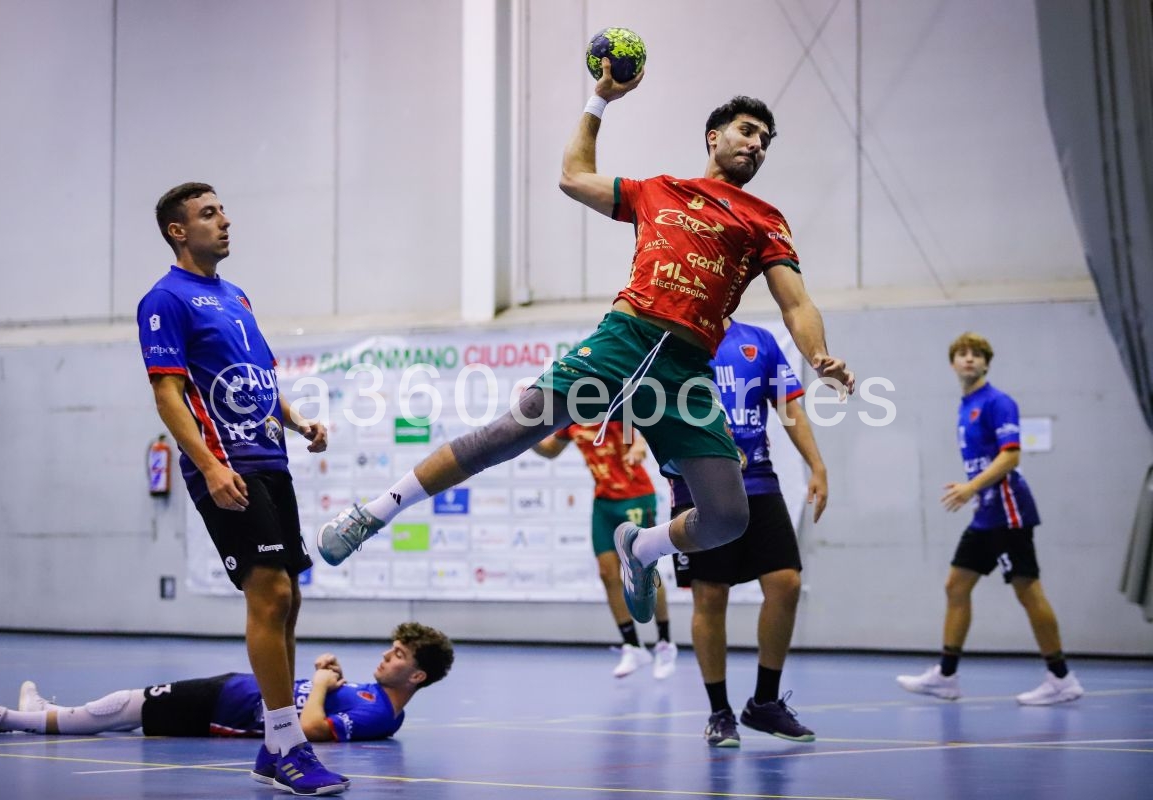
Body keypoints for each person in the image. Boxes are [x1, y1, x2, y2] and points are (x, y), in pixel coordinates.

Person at [317, 61, 854, 630]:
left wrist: (818, 356)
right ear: (713, 137)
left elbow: (796, 303)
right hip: (626, 339)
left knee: (726, 517)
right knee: (504, 435)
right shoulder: (658, 191)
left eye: (766, 141)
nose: (757, 145)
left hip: (686, 370)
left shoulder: (765, 219)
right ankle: (372, 515)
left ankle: (641, 548)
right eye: (748, 131)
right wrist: (600, 99)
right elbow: (573, 176)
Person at [135, 182, 344, 795]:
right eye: (207, 214)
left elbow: (257, 378)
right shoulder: (164, 300)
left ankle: (273, 744)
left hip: (270, 461)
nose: (224, 221)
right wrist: (209, 464)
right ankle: (289, 744)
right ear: (178, 230)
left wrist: (298, 421)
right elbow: (168, 394)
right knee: (270, 593)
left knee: (289, 599)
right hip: (225, 465)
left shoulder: (237, 297)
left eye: (222, 210)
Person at [0, 623, 453, 784]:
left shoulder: (377, 714)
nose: (388, 654)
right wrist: (330, 677)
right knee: (131, 711)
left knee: (123, 706)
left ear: (417, 675)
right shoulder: (375, 700)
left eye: (399, 654)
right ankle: (40, 715)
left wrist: (321, 681)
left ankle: (5, 720)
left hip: (226, 708)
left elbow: (310, 727)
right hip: (233, 690)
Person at [896, 332, 1084, 705]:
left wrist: (970, 488)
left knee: (1028, 590)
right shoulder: (966, 406)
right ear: (953, 364)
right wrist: (973, 492)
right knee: (956, 585)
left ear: (986, 363)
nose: (968, 359)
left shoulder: (999, 402)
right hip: (986, 513)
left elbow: (1010, 456)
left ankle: (1061, 678)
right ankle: (946, 676)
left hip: (1009, 511)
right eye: (962, 354)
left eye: (976, 354)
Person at [669, 319, 826, 747]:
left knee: (786, 582)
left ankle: (765, 703)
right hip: (697, 484)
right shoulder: (672, 337)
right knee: (711, 593)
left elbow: (790, 406)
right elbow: (653, 408)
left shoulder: (759, 340)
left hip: (758, 478)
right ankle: (719, 712)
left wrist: (816, 465)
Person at [531, 423, 677, 678]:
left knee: (642, 570)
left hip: (636, 497)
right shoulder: (571, 419)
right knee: (607, 573)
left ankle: (665, 644)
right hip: (603, 504)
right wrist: (526, 434)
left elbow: (644, 426)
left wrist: (641, 444)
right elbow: (550, 450)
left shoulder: (615, 403)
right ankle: (632, 646)